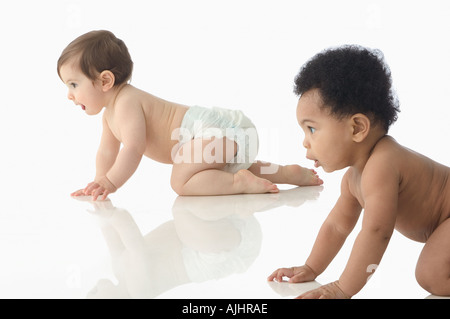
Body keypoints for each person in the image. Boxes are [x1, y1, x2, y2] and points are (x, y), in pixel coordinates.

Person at [268, 45, 450, 298]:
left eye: (311, 129)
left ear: (356, 128)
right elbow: (337, 227)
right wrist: (312, 267)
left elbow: (377, 232)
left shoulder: (383, 164)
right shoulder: (352, 179)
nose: (305, 142)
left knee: (432, 274)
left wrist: (342, 288)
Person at [57, 30, 323, 201]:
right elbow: (106, 152)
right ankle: (288, 174)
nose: (69, 94)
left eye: (73, 84)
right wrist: (98, 181)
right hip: (218, 139)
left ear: (105, 81)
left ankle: (238, 182)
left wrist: (111, 182)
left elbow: (133, 148)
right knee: (208, 170)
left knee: (181, 180)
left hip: (213, 132)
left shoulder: (126, 101)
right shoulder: (109, 115)